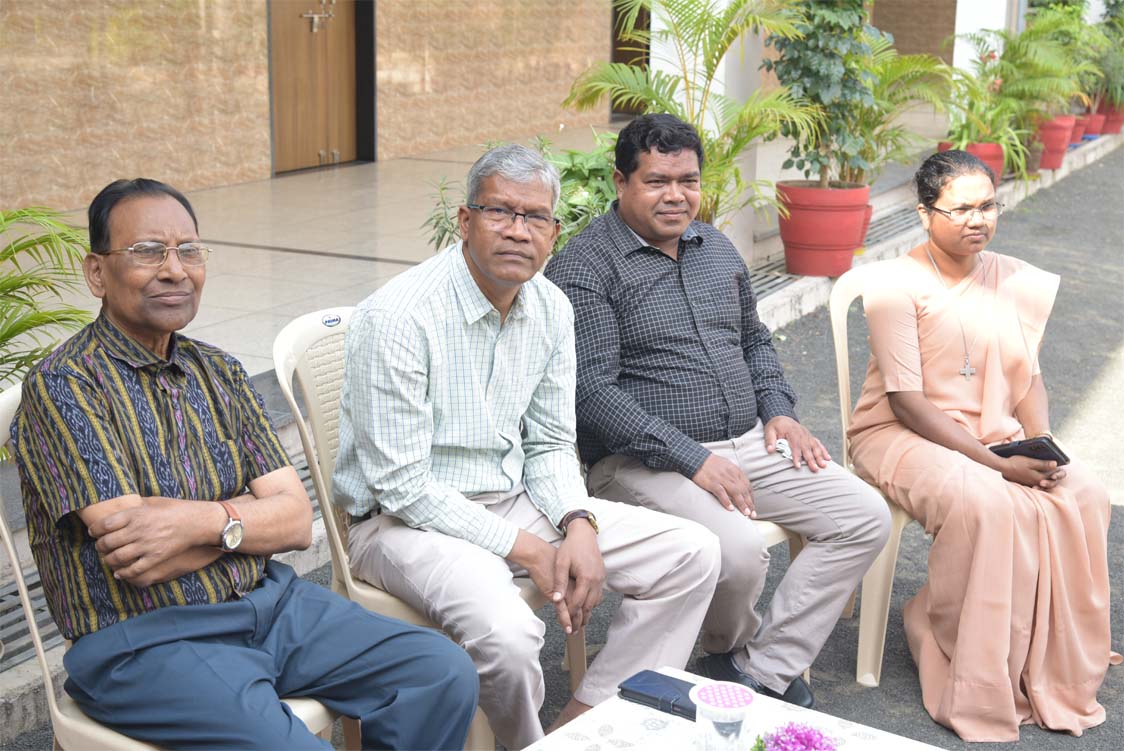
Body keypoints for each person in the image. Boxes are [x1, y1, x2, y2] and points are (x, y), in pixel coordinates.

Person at [11, 179, 479, 750]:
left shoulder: (220, 371)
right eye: (147, 251)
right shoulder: (65, 385)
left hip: (270, 607)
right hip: (146, 641)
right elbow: (138, 555)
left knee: (438, 671)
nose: (175, 270)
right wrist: (247, 522)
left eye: (189, 250)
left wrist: (199, 522)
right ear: (96, 273)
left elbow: (295, 521)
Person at [334, 144, 721, 750]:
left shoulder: (550, 307)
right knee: (509, 634)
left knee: (691, 553)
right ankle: (525, 742)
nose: (518, 231)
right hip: (399, 525)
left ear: (554, 233)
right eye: (500, 212)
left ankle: (582, 727)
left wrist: (578, 522)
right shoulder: (398, 317)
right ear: (465, 221)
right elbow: (402, 486)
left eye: (535, 216)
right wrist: (530, 549)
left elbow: (550, 443)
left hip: (513, 500)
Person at [544, 113, 891, 709]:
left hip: (750, 440)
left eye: (688, 181)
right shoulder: (585, 267)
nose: (676, 195)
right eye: (657, 181)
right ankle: (722, 647)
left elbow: (754, 340)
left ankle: (758, 669)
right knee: (737, 551)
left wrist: (779, 410)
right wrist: (693, 459)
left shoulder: (716, 248)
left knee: (863, 514)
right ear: (621, 182)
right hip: (641, 462)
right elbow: (592, 393)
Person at [847, 150, 1119, 741]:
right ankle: (951, 641)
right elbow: (906, 402)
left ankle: (1043, 658)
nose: (978, 219)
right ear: (925, 213)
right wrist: (996, 463)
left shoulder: (1012, 278)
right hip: (900, 435)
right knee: (990, 504)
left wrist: (1038, 445)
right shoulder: (895, 284)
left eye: (988, 206)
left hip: (997, 431)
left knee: (1085, 495)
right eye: (961, 208)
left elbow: (1029, 379)